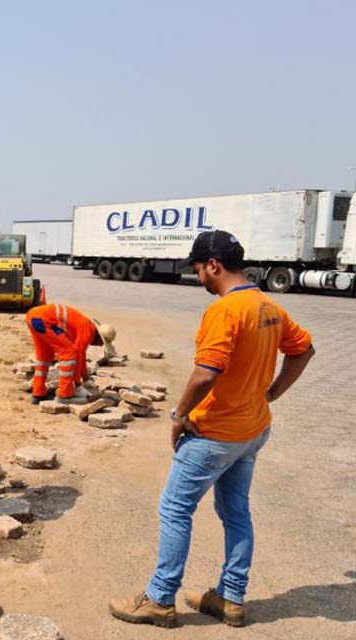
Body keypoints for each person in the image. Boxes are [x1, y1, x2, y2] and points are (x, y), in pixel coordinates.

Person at [109, 230, 314, 629]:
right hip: (252, 429)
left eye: (199, 268)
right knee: (236, 512)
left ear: (214, 266)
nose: (199, 276)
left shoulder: (225, 311)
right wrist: (270, 394)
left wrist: (179, 415)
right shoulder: (268, 305)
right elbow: (303, 349)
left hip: (215, 434)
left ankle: (160, 598)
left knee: (175, 508)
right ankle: (231, 598)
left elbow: (206, 374)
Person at [24, 303, 116, 402]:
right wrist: (78, 384)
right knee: (69, 354)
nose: (100, 346)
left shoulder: (84, 324)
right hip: (44, 320)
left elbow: (81, 355)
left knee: (45, 356)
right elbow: (77, 356)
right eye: (102, 343)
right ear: (99, 337)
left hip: (32, 315)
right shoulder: (88, 329)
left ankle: (38, 393)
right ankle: (65, 394)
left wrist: (85, 378)